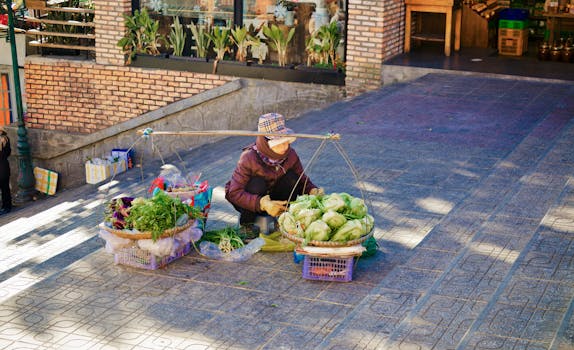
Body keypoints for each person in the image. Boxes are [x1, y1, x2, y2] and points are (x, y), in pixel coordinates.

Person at [225, 113, 323, 237]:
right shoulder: (249, 158)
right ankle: (248, 223)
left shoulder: (291, 154)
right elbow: (234, 193)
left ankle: (283, 216)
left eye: (286, 141)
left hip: (276, 197)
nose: (285, 147)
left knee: (292, 178)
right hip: (254, 202)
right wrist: (262, 203)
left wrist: (312, 190)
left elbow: (302, 179)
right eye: (279, 143)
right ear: (266, 143)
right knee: (257, 184)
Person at [0, 127, 12, 215]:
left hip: (3, 168)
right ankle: (6, 206)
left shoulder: (4, 139)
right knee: (5, 188)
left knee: (4, 188)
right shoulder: (6, 139)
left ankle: (6, 207)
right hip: (4, 167)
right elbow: (8, 153)